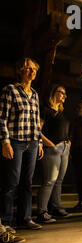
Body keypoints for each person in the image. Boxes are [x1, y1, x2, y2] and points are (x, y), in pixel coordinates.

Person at [0, 57, 44, 231]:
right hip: (15, 141)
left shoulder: (35, 94)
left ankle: (24, 219)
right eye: (28, 68)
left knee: (27, 182)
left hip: (32, 142)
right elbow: (1, 118)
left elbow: (36, 121)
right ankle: (5, 221)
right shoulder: (10, 90)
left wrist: (39, 142)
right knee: (11, 182)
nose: (32, 71)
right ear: (19, 71)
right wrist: (5, 142)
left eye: (34, 69)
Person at [37, 84, 72, 223]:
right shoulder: (45, 110)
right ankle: (42, 212)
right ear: (54, 93)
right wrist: (50, 144)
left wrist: (68, 142)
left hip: (64, 148)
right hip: (52, 148)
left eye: (65, 93)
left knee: (59, 181)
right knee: (49, 181)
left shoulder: (62, 113)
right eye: (61, 92)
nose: (64, 95)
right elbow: (38, 130)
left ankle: (56, 207)